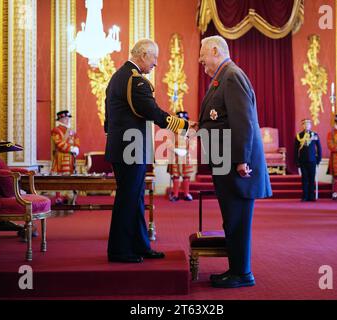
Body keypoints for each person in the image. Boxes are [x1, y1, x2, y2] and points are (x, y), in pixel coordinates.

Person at [104, 39, 193, 263]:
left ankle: (140, 245)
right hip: (131, 150)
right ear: (143, 55)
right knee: (128, 199)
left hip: (124, 149)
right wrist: (183, 127)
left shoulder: (117, 77)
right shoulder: (135, 81)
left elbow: (108, 122)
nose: (155, 63)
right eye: (154, 57)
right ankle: (119, 251)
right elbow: (154, 113)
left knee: (134, 199)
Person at [197, 36, 272, 288]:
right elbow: (220, 119)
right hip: (224, 162)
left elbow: (244, 121)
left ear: (215, 50)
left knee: (237, 219)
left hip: (235, 164)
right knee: (232, 219)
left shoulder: (231, 75)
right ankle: (236, 269)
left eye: (202, 54)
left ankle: (242, 274)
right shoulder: (222, 76)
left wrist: (241, 159)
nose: (200, 60)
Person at [51, 110, 80, 204]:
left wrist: (76, 148)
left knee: (70, 177)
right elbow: (59, 143)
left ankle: (69, 197)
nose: (67, 120)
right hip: (60, 157)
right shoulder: (56, 130)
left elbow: (77, 140)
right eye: (65, 118)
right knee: (59, 178)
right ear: (61, 119)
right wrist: (71, 148)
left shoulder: (72, 131)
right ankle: (58, 198)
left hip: (71, 158)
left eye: (68, 118)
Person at [168, 111, 195, 202]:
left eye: (184, 120)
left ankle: (186, 194)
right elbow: (169, 142)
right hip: (176, 156)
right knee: (176, 176)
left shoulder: (190, 131)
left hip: (186, 156)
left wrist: (187, 150)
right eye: (181, 120)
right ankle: (175, 195)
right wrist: (174, 150)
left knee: (186, 176)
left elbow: (193, 143)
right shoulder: (173, 131)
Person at [294, 119, 322, 202]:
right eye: (304, 124)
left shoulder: (315, 135)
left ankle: (311, 196)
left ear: (310, 125)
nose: (306, 125)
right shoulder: (299, 136)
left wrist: (319, 159)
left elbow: (319, 148)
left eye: (308, 124)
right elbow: (295, 150)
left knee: (311, 178)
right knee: (304, 179)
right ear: (302, 125)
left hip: (312, 160)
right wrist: (297, 161)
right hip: (302, 161)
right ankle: (305, 196)